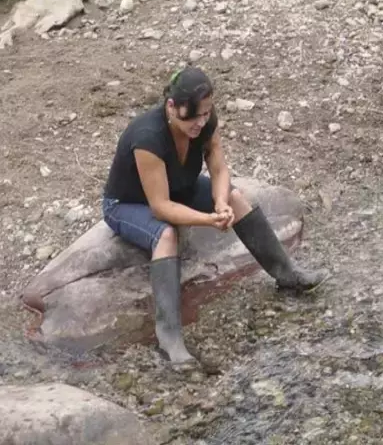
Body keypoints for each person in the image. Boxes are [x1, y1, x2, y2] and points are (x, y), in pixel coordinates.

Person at [101, 67, 324, 368]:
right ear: (171, 107)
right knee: (166, 234)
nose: (200, 122)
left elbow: (219, 169)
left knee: (236, 196)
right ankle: (169, 336)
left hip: (181, 189)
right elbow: (161, 207)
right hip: (129, 203)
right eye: (192, 117)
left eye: (205, 114)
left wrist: (220, 202)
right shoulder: (148, 138)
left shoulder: (206, 122)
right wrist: (207, 220)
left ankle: (287, 274)